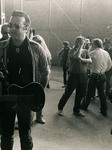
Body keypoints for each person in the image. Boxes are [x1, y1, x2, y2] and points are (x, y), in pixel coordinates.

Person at [0, 10, 49, 150]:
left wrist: (38, 93)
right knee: (6, 135)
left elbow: (45, 71)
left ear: (26, 28)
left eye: (17, 26)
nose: (12, 29)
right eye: (10, 25)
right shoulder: (1, 47)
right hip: (6, 99)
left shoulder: (36, 49)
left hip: (27, 100)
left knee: (25, 135)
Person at [58, 36, 92, 117]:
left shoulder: (86, 51)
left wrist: (82, 59)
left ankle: (76, 110)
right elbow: (76, 56)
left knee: (80, 94)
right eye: (82, 42)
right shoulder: (71, 50)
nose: (84, 44)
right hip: (74, 75)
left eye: (83, 42)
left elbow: (90, 60)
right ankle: (60, 108)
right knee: (68, 92)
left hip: (83, 75)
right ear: (77, 42)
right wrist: (80, 47)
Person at [80, 38, 112, 117]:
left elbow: (87, 61)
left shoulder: (93, 53)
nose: (91, 45)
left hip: (94, 75)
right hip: (102, 75)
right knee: (102, 94)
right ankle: (104, 110)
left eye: (92, 44)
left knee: (88, 92)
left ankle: (84, 106)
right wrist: (104, 70)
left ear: (95, 44)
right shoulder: (106, 53)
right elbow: (110, 64)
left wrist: (82, 60)